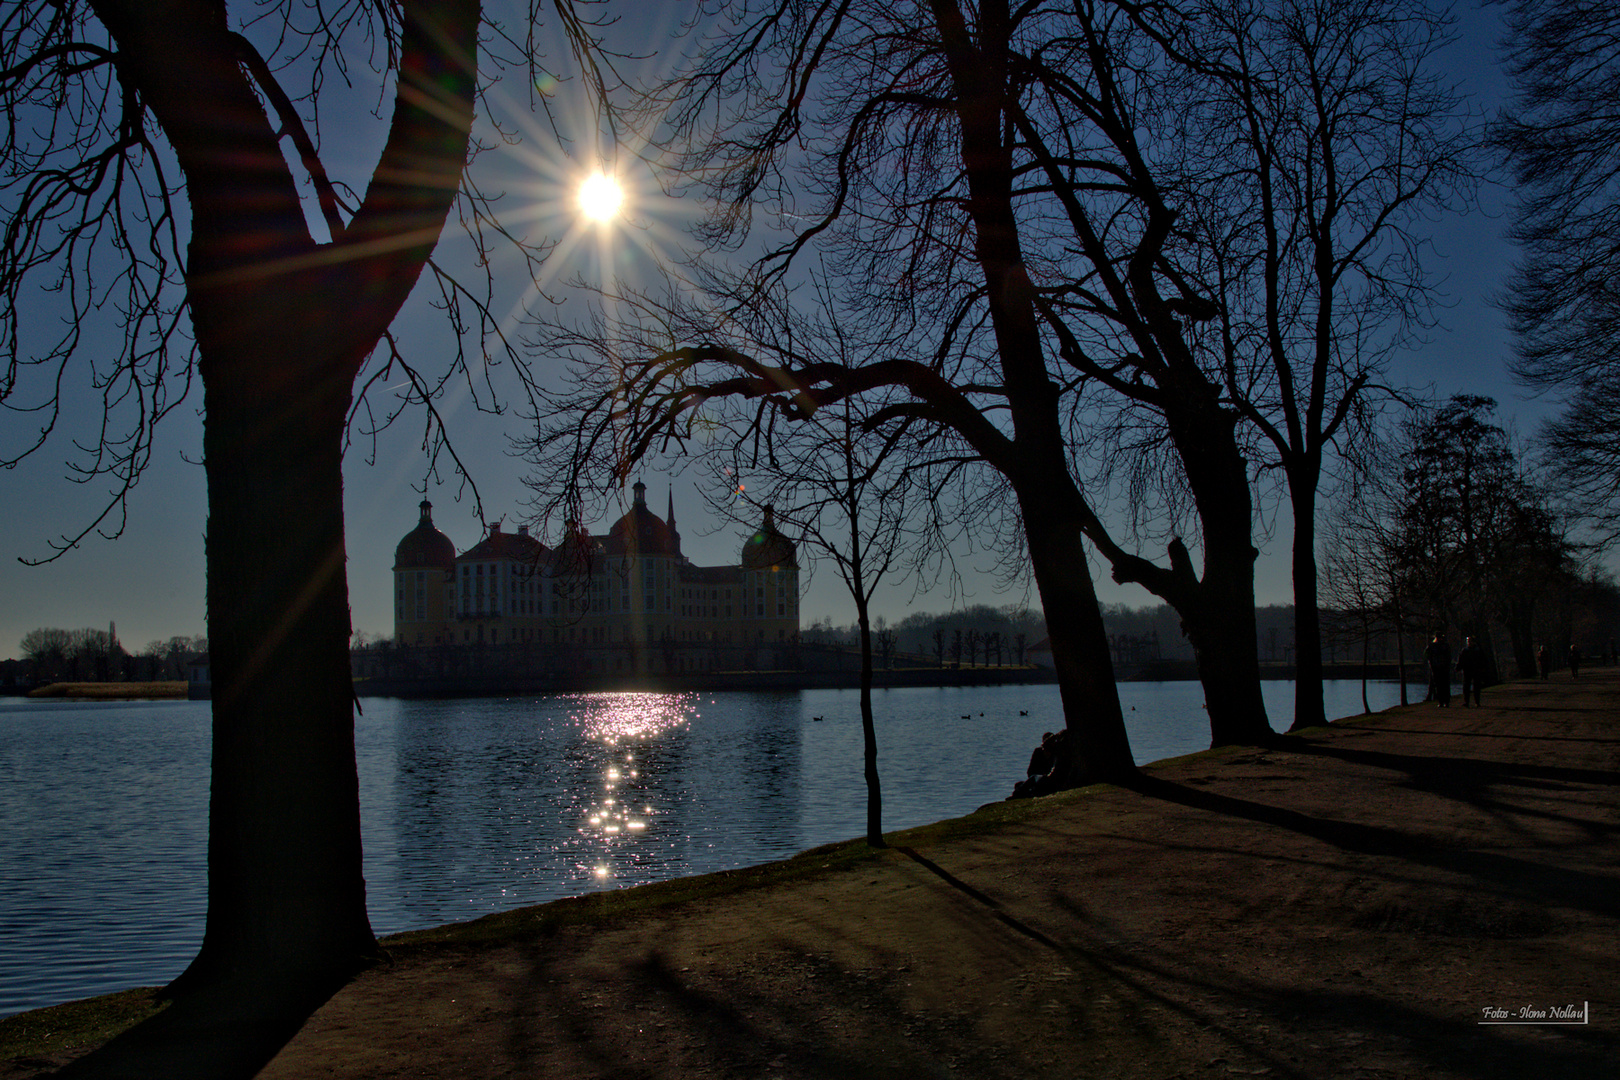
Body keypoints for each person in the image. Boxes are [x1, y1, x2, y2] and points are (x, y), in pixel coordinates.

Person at [1456, 636, 1486, 707]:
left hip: (1475, 670)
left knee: (1476, 686)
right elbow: (1461, 660)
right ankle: (1467, 701)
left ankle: (1476, 702)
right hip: (1468, 670)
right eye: (1468, 641)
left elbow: (1482, 661)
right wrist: (1458, 667)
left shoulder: (1477, 651)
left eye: (1469, 641)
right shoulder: (1466, 650)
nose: (1468, 643)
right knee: (1467, 686)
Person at [1424, 633, 1452, 707]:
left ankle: (1443, 701)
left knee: (1441, 685)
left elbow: (1426, 654)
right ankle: (1444, 701)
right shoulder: (1444, 646)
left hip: (1439, 667)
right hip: (1439, 668)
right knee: (1441, 685)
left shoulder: (1433, 646)